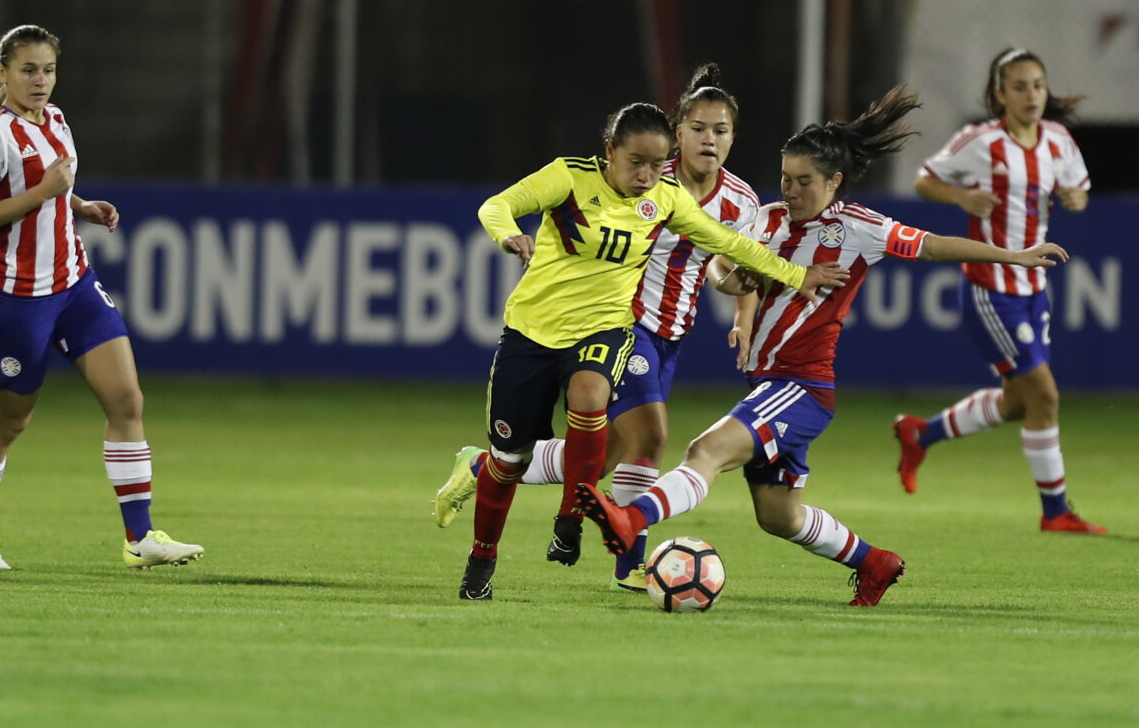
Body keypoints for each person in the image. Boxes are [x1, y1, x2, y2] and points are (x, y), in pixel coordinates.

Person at [578, 88, 1065, 608]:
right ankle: (876, 562)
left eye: (804, 181)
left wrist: (1013, 255)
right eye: (786, 178)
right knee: (778, 516)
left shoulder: (857, 228)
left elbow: (932, 245)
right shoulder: (764, 220)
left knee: (706, 452)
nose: (791, 190)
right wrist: (738, 298)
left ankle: (633, 519)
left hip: (802, 385)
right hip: (770, 384)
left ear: (833, 182)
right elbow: (728, 264)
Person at [438, 99, 846, 602]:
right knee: (521, 456)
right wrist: (508, 236)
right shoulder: (569, 178)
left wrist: (795, 275)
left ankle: (579, 526)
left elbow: (729, 245)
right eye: (638, 163)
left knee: (604, 407)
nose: (648, 175)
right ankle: (484, 527)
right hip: (535, 332)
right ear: (610, 151)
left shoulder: (673, 198)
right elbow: (495, 205)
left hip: (608, 330)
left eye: (657, 164)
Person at [0, 25, 203, 571]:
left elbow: (56, 188)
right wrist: (43, 194)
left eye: (48, 70)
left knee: (127, 401)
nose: (40, 81)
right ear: (2, 72)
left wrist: (79, 206)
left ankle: (140, 537)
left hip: (74, 285)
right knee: (11, 422)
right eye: (28, 70)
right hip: (15, 295)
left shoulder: (56, 118)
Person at [893, 47, 1104, 533]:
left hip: (1035, 287)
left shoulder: (1057, 140)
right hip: (991, 288)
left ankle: (920, 434)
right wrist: (961, 195)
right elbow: (925, 181)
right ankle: (1055, 513)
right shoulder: (982, 142)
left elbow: (1079, 189)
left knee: (1018, 403)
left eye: (1038, 85)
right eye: (1020, 87)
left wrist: (1077, 197)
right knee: (1045, 395)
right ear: (999, 95)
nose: (1032, 95)